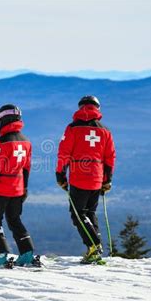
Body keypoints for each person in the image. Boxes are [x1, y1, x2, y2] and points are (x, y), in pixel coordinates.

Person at [55, 95, 116, 263]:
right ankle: (95, 250)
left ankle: (94, 245)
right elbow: (110, 157)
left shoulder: (73, 128)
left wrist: (60, 175)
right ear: (98, 109)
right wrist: (107, 180)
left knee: (77, 214)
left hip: (78, 176)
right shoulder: (105, 130)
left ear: (80, 107)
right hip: (97, 176)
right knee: (90, 213)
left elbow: (64, 153)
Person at [0, 104, 35, 268]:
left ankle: (1, 254)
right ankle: (26, 252)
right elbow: (27, 167)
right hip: (18, 188)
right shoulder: (26, 141)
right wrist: (24, 187)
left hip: (1, 187)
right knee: (14, 220)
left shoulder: (2, 141)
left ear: (3, 119)